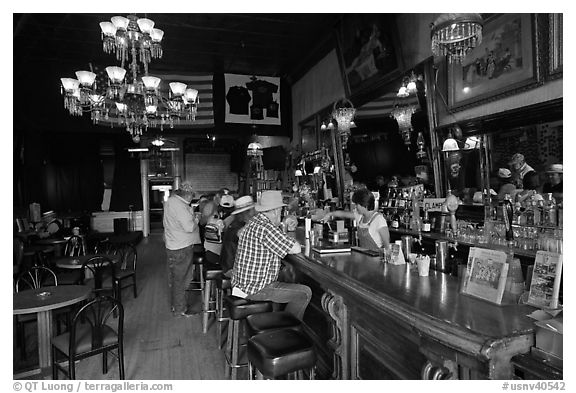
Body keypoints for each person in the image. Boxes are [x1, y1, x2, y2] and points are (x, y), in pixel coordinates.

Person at [231, 190, 311, 320]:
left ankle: (276, 321)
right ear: (275, 211)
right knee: (304, 293)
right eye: (280, 211)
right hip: (255, 289)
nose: (280, 214)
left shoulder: (255, 221)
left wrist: (282, 224)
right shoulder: (265, 228)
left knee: (286, 279)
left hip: (241, 284)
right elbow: (295, 248)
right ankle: (287, 331)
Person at [163, 181, 201, 317]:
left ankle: (176, 307)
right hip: (181, 247)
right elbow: (189, 227)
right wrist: (196, 218)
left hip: (173, 244)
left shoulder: (171, 202)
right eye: (192, 196)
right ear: (188, 195)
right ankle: (180, 309)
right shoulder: (180, 206)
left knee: (175, 278)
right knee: (182, 279)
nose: (192, 199)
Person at [322, 188, 390, 251]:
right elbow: (343, 214)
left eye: (357, 204)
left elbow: (387, 245)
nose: (355, 207)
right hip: (364, 256)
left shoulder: (379, 219)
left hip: (376, 259)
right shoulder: (360, 216)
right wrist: (330, 214)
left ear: (364, 204)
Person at [219, 195, 256, 277]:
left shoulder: (235, 223)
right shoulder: (242, 228)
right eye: (254, 209)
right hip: (232, 269)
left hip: (227, 265)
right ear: (249, 211)